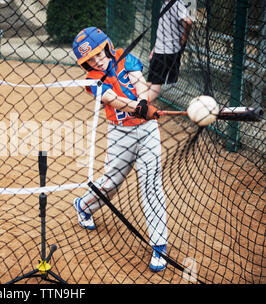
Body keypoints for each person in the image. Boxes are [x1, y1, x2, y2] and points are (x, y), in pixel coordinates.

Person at [72, 27, 169, 272]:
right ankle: (84, 206)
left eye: (98, 53)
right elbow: (112, 100)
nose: (97, 60)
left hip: (147, 131)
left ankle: (159, 244)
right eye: (90, 59)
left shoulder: (127, 58)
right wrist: (139, 107)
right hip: (120, 134)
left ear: (107, 45)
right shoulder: (91, 79)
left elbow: (142, 91)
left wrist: (146, 99)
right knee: (111, 184)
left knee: (151, 184)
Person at [148, 0, 193, 101]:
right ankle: (142, 105)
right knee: (151, 83)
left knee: (154, 85)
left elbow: (188, 21)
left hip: (167, 51)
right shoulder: (166, 3)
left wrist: (184, 37)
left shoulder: (178, 3)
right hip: (160, 50)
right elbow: (163, 28)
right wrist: (155, 48)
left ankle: (141, 107)